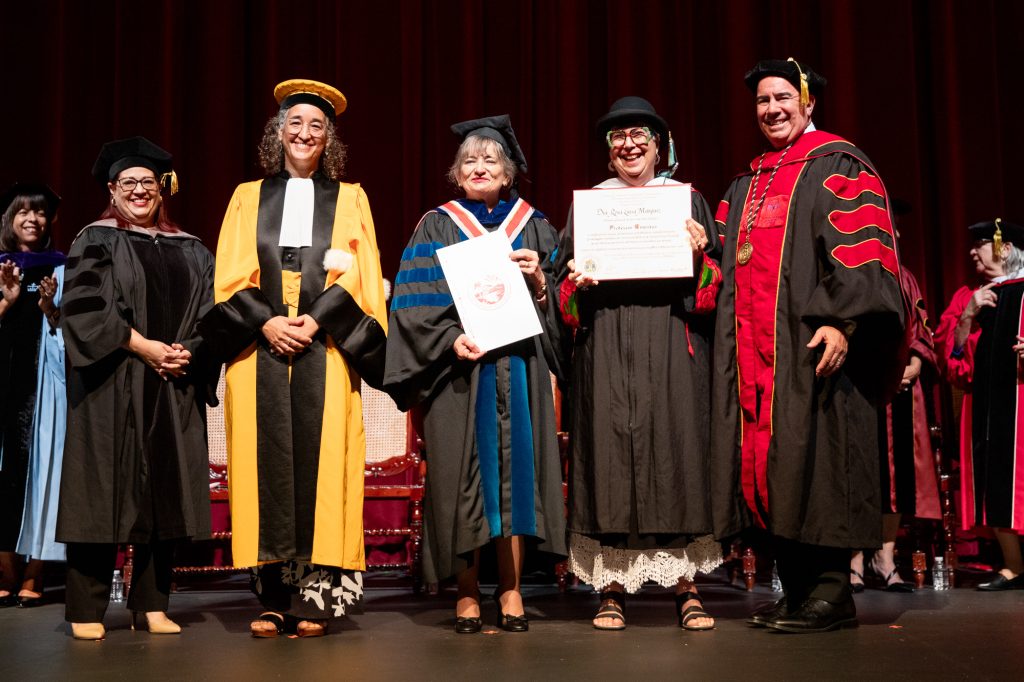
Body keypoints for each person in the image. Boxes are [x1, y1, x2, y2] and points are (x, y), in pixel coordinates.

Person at [710, 59, 906, 633]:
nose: (771, 109)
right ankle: (796, 589)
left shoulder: (838, 165)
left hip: (810, 351)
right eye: (762, 101)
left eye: (782, 98)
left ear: (808, 102)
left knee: (816, 461)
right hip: (752, 355)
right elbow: (725, 259)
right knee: (772, 466)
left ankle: (831, 593)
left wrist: (843, 323)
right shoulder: (748, 181)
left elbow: (865, 250)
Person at [199, 79, 388, 638]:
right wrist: (268, 321)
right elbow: (229, 272)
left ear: (329, 138)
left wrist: (318, 317)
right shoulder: (246, 196)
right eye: (295, 124)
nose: (304, 133)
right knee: (267, 466)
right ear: (277, 133)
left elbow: (363, 273)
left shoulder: (351, 198)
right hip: (259, 349)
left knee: (325, 466)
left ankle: (318, 599)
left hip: (324, 347)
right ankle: (274, 596)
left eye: (316, 125)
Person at [385, 115, 567, 634]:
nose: (479, 167)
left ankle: (511, 590)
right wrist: (448, 340)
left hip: (521, 367)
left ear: (508, 171)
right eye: (469, 161)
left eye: (490, 159)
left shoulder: (535, 226)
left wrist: (539, 284)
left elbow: (564, 302)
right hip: (459, 376)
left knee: (517, 478)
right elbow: (410, 306)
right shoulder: (435, 225)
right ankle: (466, 593)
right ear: (456, 173)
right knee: (462, 480)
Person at [556, 97, 723, 632]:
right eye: (618, 137)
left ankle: (686, 586)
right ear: (609, 152)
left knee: (675, 453)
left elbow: (717, 292)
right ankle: (609, 587)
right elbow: (563, 294)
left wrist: (700, 260)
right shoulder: (589, 208)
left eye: (640, 135)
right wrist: (574, 285)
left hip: (671, 343)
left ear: (659, 145)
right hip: (605, 344)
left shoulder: (686, 201)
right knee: (607, 457)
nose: (629, 144)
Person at [56, 137, 216, 640]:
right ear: (112, 189)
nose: (140, 190)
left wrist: (187, 350)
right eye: (129, 183)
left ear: (162, 189)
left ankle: (152, 604)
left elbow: (212, 313)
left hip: (173, 384)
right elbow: (83, 310)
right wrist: (144, 347)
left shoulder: (190, 247)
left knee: (162, 494)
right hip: (112, 384)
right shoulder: (95, 240)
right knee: (102, 491)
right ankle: (86, 609)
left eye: (149, 182)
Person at [851, 210, 941, 593]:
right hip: (858, 388)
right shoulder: (852, 274)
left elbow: (921, 328)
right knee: (856, 474)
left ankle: (884, 556)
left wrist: (916, 363)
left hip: (900, 392)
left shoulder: (905, 278)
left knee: (897, 479)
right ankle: (853, 559)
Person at [934, 219, 1024, 591]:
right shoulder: (967, 296)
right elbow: (951, 359)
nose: (972, 251)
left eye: (982, 243)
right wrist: (968, 316)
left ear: (1005, 248)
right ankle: (1014, 566)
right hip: (986, 409)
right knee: (996, 476)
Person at [0, 182, 64, 609]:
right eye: (23, 211)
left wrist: (49, 309)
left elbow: (68, 331)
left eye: (39, 212)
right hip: (5, 382)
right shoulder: (0, 265)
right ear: (9, 218)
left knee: (44, 475)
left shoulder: (60, 267)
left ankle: (35, 572)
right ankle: (5, 571)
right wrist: (5, 302)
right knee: (3, 476)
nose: (32, 219)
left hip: (46, 384)